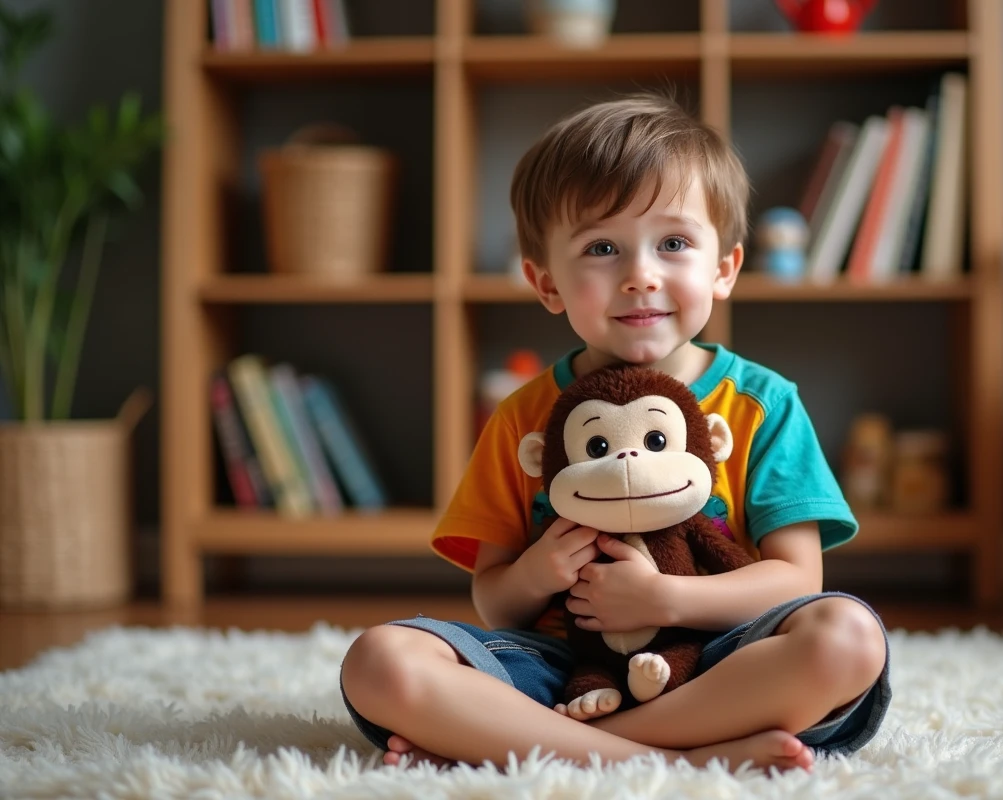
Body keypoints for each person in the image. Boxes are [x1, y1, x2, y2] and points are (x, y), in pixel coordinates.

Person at [339, 92, 891, 773]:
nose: (640, 276)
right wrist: (537, 573)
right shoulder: (522, 417)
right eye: (602, 248)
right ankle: (682, 755)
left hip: (721, 660)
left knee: (849, 638)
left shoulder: (763, 404)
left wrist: (667, 599)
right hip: (563, 670)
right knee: (380, 661)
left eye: (674, 244)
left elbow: (796, 581)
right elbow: (495, 601)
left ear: (724, 269)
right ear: (546, 282)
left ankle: (536, 745)